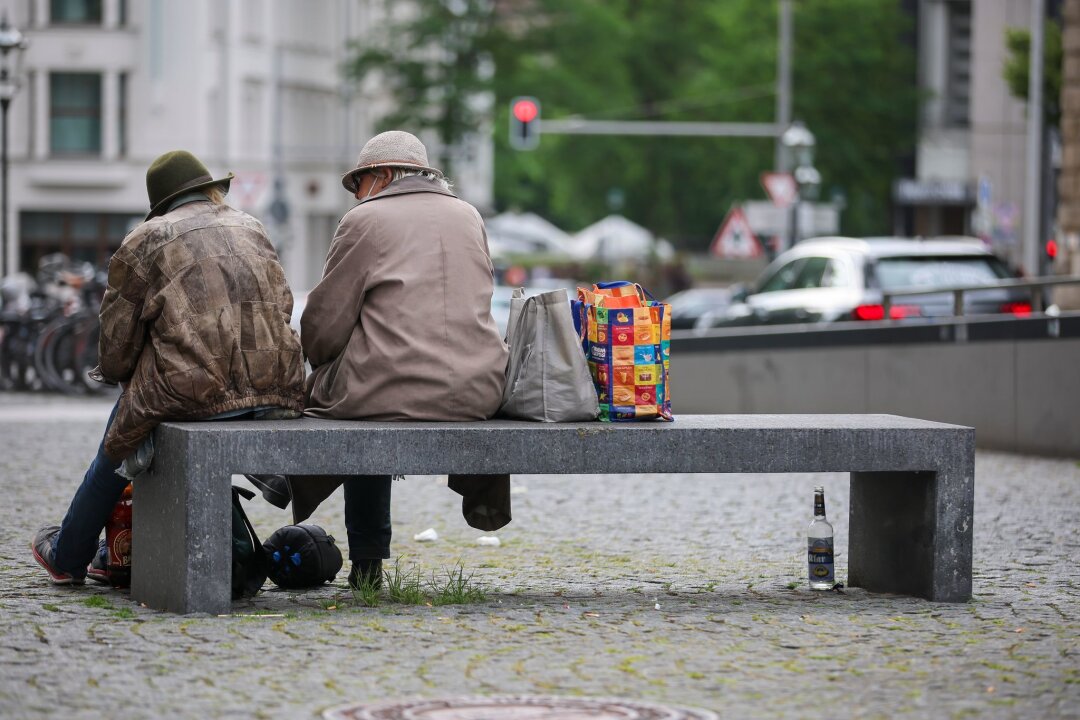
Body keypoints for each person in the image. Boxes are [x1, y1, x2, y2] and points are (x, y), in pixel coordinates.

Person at [31, 150, 306, 585]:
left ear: (159, 204)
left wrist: (127, 371)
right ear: (210, 189)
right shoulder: (250, 226)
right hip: (279, 384)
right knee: (147, 408)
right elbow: (282, 306)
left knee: (119, 439)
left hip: (195, 391)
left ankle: (68, 555)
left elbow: (117, 344)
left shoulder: (145, 238)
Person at [252, 130, 509, 590]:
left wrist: (321, 359)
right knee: (367, 386)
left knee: (345, 398)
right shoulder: (470, 215)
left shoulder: (365, 221)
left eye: (358, 184)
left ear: (384, 176)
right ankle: (296, 494)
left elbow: (326, 322)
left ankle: (336, 533)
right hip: (480, 388)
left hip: (392, 387)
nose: (356, 195)